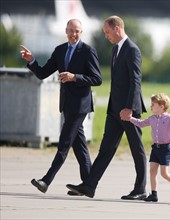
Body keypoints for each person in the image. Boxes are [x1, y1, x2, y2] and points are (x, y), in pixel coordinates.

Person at [66, 15, 147, 200]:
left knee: (137, 148)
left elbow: (136, 81)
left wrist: (129, 108)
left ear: (117, 28)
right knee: (106, 149)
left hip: (128, 110)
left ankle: (140, 189)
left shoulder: (132, 50)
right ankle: (89, 186)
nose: (106, 36)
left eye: (108, 32)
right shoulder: (115, 50)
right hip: (114, 110)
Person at [20, 19, 102, 195]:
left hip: (80, 106)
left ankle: (46, 181)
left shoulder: (88, 51)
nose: (74, 34)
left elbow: (97, 79)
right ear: (66, 31)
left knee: (64, 143)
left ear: (82, 32)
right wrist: (32, 60)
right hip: (66, 104)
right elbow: (42, 73)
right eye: (71, 31)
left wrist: (75, 77)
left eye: (77, 31)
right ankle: (88, 186)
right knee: (79, 147)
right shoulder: (60, 50)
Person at [128, 93, 170, 202]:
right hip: (155, 148)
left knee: (164, 173)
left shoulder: (169, 118)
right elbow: (141, 123)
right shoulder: (152, 118)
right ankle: (154, 194)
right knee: (152, 171)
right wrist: (130, 118)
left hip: (165, 149)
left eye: (153, 104)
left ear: (162, 106)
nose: (151, 106)